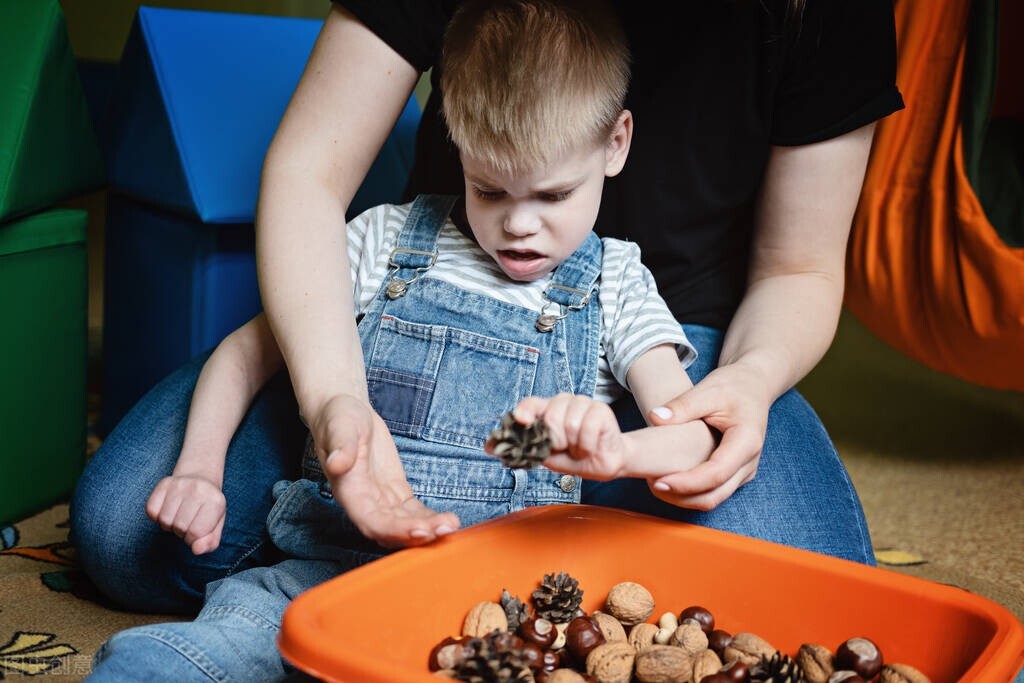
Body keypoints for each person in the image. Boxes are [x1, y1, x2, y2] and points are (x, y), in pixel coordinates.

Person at [71, 0, 905, 615]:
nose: (520, 225)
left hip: (682, 346)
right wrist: (335, 402)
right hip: (405, 342)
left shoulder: (623, 285)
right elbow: (306, 177)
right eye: (492, 190)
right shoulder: (389, 243)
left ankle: (537, 554)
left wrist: (725, 397)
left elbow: (793, 273)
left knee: (817, 605)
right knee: (122, 531)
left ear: (617, 141)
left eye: (552, 194)